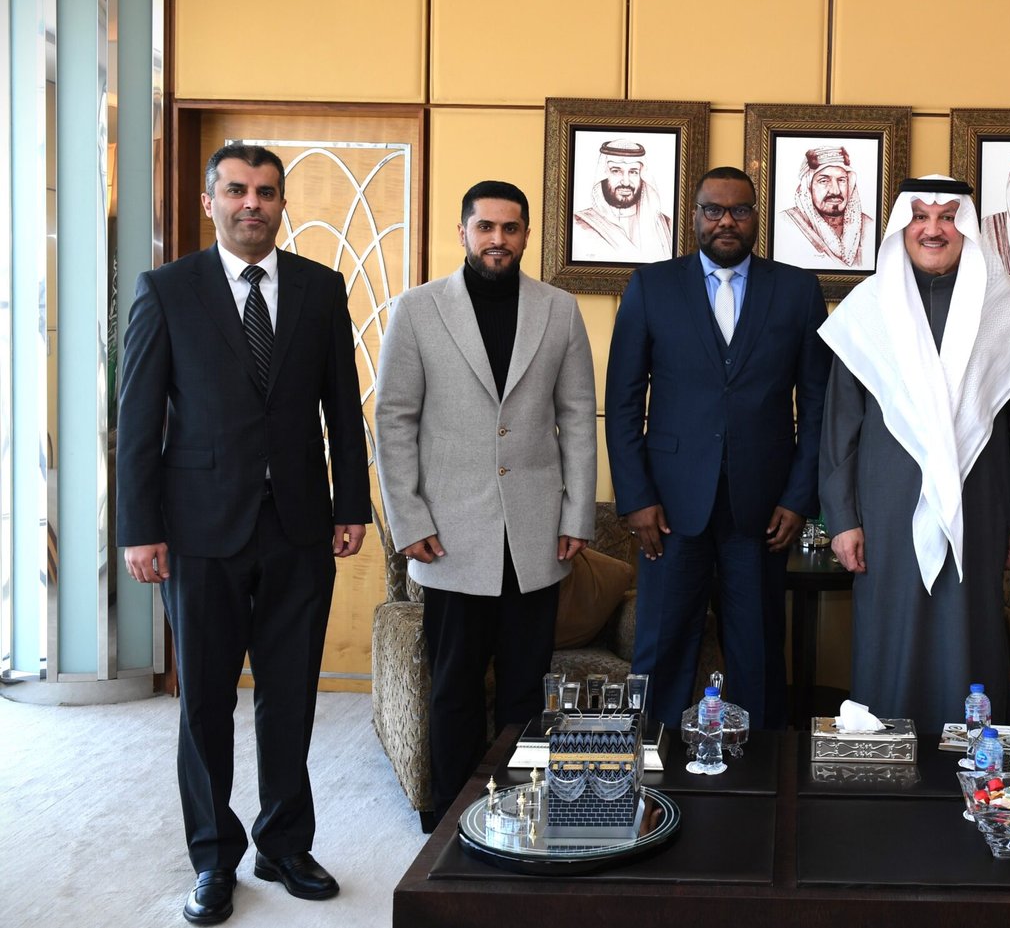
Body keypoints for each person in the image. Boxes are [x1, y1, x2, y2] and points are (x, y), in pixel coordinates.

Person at [117, 144, 370, 924]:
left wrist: (351, 504)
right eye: (235, 190)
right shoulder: (167, 290)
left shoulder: (321, 289)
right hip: (198, 530)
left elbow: (343, 408)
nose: (251, 203)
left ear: (282, 203)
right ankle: (213, 856)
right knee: (205, 703)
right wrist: (138, 527)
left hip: (298, 525)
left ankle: (284, 843)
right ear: (210, 202)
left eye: (265, 191)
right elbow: (137, 418)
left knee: (290, 696)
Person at [375, 180, 596, 825]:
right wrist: (407, 518)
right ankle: (451, 818)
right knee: (454, 687)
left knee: (527, 690)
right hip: (448, 536)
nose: (497, 238)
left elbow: (578, 418)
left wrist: (577, 513)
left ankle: (520, 810)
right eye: (485, 227)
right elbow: (393, 420)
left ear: (525, 235)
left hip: (535, 534)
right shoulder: (417, 309)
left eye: (510, 227)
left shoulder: (559, 310)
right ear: (463, 232)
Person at [819, 175, 1010, 733]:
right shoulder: (868, 307)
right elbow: (839, 428)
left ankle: (974, 761)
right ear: (902, 226)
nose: (933, 229)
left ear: (965, 226)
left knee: (970, 636)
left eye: (947, 217)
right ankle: (885, 760)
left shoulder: (1005, 305)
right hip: (886, 514)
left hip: (982, 509)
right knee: (889, 634)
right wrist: (842, 520)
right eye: (920, 216)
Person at [606, 166, 829, 729]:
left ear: (756, 218)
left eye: (739, 210)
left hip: (763, 509)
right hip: (670, 508)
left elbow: (818, 408)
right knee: (661, 649)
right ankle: (653, 765)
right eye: (714, 210)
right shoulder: (651, 287)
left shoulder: (797, 290)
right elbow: (623, 403)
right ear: (695, 217)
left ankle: (759, 776)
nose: (726, 221)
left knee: (758, 653)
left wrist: (799, 497)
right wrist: (636, 498)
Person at [572, 139, 674, 262]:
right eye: (616, 171)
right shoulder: (578, 224)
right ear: (603, 175)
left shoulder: (666, 225)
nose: (626, 182)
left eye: (633, 172)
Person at [774, 145, 876, 270]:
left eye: (841, 180)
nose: (835, 190)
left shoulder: (869, 226)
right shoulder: (786, 223)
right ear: (808, 187)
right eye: (824, 181)